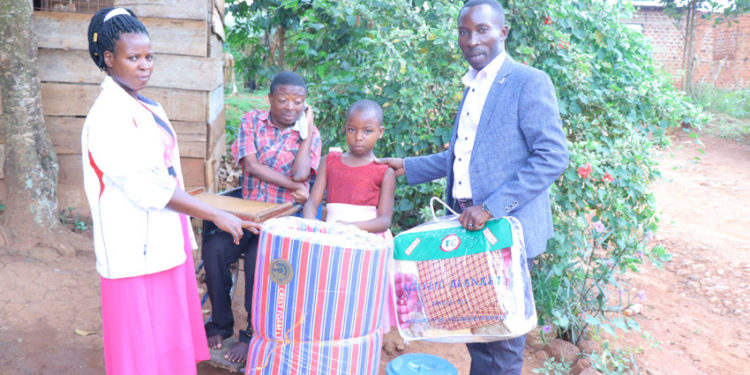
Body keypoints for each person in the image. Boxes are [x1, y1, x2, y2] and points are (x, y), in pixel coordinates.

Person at [378, 1, 569, 374]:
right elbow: (465, 156)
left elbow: (552, 156)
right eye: (464, 32)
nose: (471, 40)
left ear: (503, 32)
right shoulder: (475, 84)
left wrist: (492, 207)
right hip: (471, 229)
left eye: (482, 30)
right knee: (479, 336)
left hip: (501, 230)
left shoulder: (527, 81)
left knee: (501, 342)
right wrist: (406, 167)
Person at [81, 8, 261, 374]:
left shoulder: (144, 104)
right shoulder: (107, 116)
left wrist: (221, 211)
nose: (145, 65)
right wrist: (215, 213)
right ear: (109, 58)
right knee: (140, 348)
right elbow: (145, 184)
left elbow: (166, 175)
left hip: (161, 239)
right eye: (134, 58)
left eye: (149, 57)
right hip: (133, 248)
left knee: (165, 341)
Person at [202, 71, 322, 363]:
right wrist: (294, 187)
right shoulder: (252, 121)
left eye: (298, 102)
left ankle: (250, 334)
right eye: (283, 99)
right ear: (270, 99)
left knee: (260, 263)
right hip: (246, 216)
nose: (290, 107)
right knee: (215, 250)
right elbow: (252, 166)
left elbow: (302, 173)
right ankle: (220, 323)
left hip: (279, 226)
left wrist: (307, 133)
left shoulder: (310, 134)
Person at [302, 99, 397, 331]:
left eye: (367, 131)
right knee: (330, 297)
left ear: (380, 132)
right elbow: (312, 201)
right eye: (352, 130)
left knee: (360, 300)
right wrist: (310, 227)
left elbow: (384, 221)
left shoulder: (384, 171)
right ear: (345, 129)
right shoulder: (330, 162)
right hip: (331, 239)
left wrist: (349, 227)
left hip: (367, 242)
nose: (358, 137)